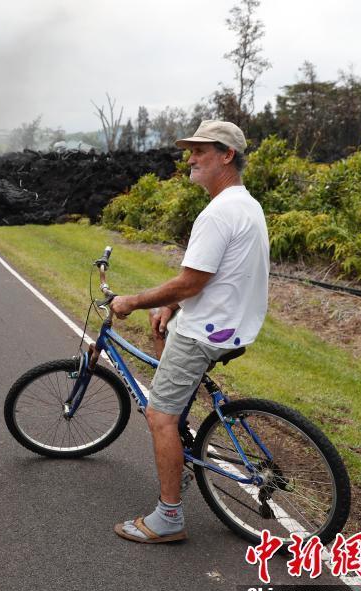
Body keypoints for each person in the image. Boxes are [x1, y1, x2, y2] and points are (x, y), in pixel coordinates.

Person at [108, 120, 269, 543]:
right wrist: (168, 304)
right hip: (231, 322)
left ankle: (168, 518)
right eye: (190, 150)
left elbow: (191, 281)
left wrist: (131, 300)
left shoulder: (218, 213)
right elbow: (213, 277)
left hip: (205, 330)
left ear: (227, 155)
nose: (191, 158)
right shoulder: (245, 204)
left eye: (200, 151)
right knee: (162, 331)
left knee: (158, 415)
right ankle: (179, 440)